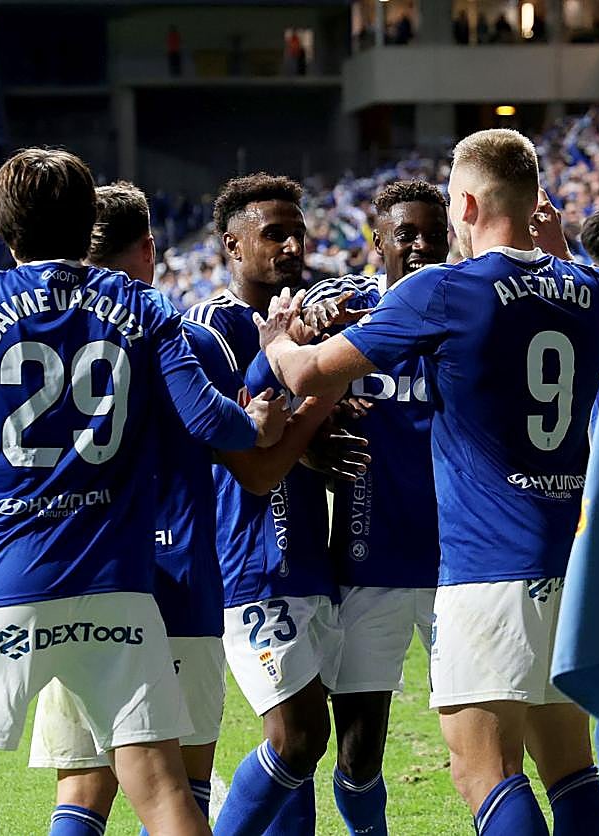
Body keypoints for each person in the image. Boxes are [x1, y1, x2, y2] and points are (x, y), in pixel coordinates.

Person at [0, 148, 289, 836]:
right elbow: (208, 420)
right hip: (115, 590)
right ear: (85, 221)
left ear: (1, 223)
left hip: (0, 584)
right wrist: (257, 423)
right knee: (166, 798)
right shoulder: (142, 305)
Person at [254, 128, 599, 835]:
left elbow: (305, 373)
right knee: (571, 769)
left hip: (487, 570)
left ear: (466, 204)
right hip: (570, 564)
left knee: (485, 772)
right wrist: (560, 259)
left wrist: (277, 338)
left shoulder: (445, 290)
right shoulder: (593, 288)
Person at [25, 181, 349, 836]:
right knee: (181, 789)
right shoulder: (184, 338)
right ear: (150, 249)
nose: (293, 246)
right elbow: (253, 467)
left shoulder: (43, 341)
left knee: (85, 790)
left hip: (75, 580)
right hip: (180, 580)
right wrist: (311, 408)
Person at [187, 173, 357, 835]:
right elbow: (236, 444)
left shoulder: (316, 322)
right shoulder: (209, 331)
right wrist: (307, 428)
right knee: (297, 735)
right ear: (233, 245)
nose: (292, 246)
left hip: (312, 552)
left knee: (302, 757)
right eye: (274, 234)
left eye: (297, 233)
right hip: (249, 556)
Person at [295, 179, 450, 835]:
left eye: (432, 234)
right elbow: (299, 338)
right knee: (359, 755)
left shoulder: (467, 307)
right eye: (404, 233)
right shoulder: (348, 309)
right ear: (377, 238)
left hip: (459, 565)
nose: (419, 246)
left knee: (495, 738)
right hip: (368, 561)